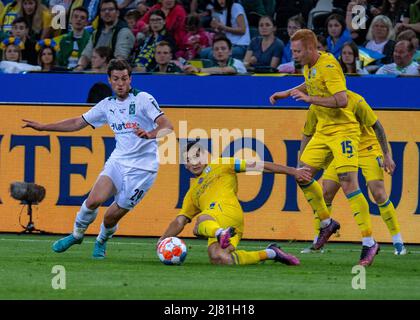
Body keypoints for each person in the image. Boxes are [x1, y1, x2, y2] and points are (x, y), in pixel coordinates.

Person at [22, 59, 174, 259]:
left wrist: (150, 133)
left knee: (111, 216)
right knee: (94, 200)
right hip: (118, 161)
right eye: (116, 79)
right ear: (109, 80)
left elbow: (167, 126)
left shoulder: (143, 99)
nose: (121, 83)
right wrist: (43, 127)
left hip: (143, 169)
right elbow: (77, 123)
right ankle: (77, 235)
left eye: (124, 78)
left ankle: (101, 240)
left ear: (131, 79)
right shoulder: (106, 105)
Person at [269, 29, 380, 267]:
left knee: (348, 182)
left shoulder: (329, 65)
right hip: (324, 131)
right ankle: (327, 223)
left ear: (311, 48)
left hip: (344, 131)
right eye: (293, 50)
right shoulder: (311, 66)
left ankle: (370, 243)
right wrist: (288, 92)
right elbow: (311, 83)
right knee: (302, 174)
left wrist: (310, 100)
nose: (294, 55)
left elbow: (341, 100)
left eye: (298, 51)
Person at [157, 139, 311, 266]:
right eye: (190, 160)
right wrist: (161, 241)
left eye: (198, 156)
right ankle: (271, 253)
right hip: (216, 224)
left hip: (230, 214)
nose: (195, 162)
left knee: (200, 222)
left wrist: (293, 171)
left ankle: (220, 233)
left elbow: (260, 166)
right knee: (219, 259)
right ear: (186, 165)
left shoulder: (223, 164)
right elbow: (179, 221)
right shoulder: (192, 194)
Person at [300, 91, 407, 255]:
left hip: (367, 148)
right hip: (341, 150)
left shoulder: (355, 101)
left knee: (378, 193)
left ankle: (398, 241)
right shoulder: (317, 104)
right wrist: (302, 159)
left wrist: (387, 155)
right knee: (326, 193)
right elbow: (308, 132)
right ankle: (317, 242)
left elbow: (377, 126)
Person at [74, 0, 135, 71]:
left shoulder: (124, 32)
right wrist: (80, 67)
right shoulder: (96, 32)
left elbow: (120, 61)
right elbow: (86, 55)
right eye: (103, 10)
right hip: (95, 73)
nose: (107, 12)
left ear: (117, 13)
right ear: (100, 14)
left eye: (110, 9)